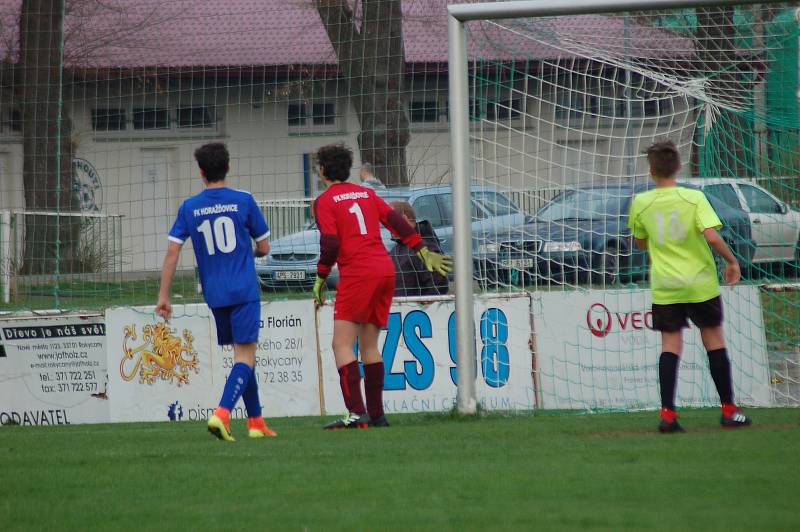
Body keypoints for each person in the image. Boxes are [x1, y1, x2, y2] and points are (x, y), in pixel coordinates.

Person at [312, 144, 452, 429]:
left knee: (341, 343)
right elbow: (396, 222)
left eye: (318, 166)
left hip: (358, 273)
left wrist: (320, 276)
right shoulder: (367, 193)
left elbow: (330, 244)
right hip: (384, 270)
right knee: (369, 346)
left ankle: (356, 413)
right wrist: (422, 249)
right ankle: (377, 416)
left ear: (323, 170)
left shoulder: (325, 200)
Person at [628, 140, 752, 433]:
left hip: (666, 286)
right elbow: (710, 236)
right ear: (679, 166)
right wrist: (732, 261)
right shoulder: (693, 198)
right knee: (713, 339)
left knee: (670, 345)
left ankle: (668, 415)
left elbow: (641, 241)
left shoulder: (641, 202)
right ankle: (728, 411)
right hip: (699, 284)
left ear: (650, 170)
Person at [156, 142, 276, 442]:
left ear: (201, 172)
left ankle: (256, 422)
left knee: (243, 356)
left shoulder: (189, 207)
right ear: (228, 167)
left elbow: (173, 251)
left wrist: (164, 296)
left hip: (215, 294)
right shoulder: (244, 200)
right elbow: (264, 247)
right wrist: (250, 252)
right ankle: (221, 414)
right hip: (244, 289)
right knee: (245, 356)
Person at [389, 200, 449, 297]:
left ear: (403, 219)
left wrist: (423, 305)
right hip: (399, 309)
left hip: (419, 310)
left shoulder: (426, 247)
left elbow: (439, 286)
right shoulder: (396, 249)